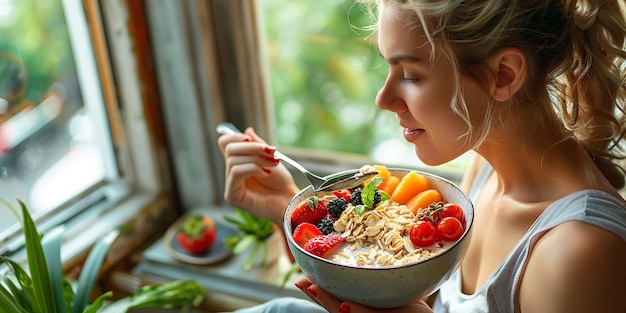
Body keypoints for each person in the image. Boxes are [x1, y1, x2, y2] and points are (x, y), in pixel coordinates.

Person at [218, 0, 626, 312]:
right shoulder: (487, 167)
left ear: (503, 75)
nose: (383, 99)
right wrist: (283, 208)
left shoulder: (579, 251)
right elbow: (421, 296)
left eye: (411, 75)